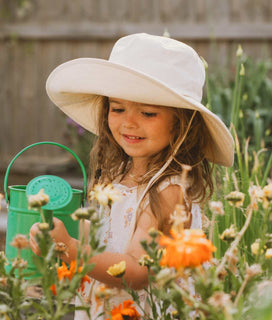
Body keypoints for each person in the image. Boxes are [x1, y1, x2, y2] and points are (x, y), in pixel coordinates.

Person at [29, 33, 234, 319]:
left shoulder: (169, 191)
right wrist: (57, 235)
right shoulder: (116, 176)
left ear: (181, 124)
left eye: (148, 113)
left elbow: (137, 271)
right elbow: (99, 239)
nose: (129, 122)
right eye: (117, 108)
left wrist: (72, 249)